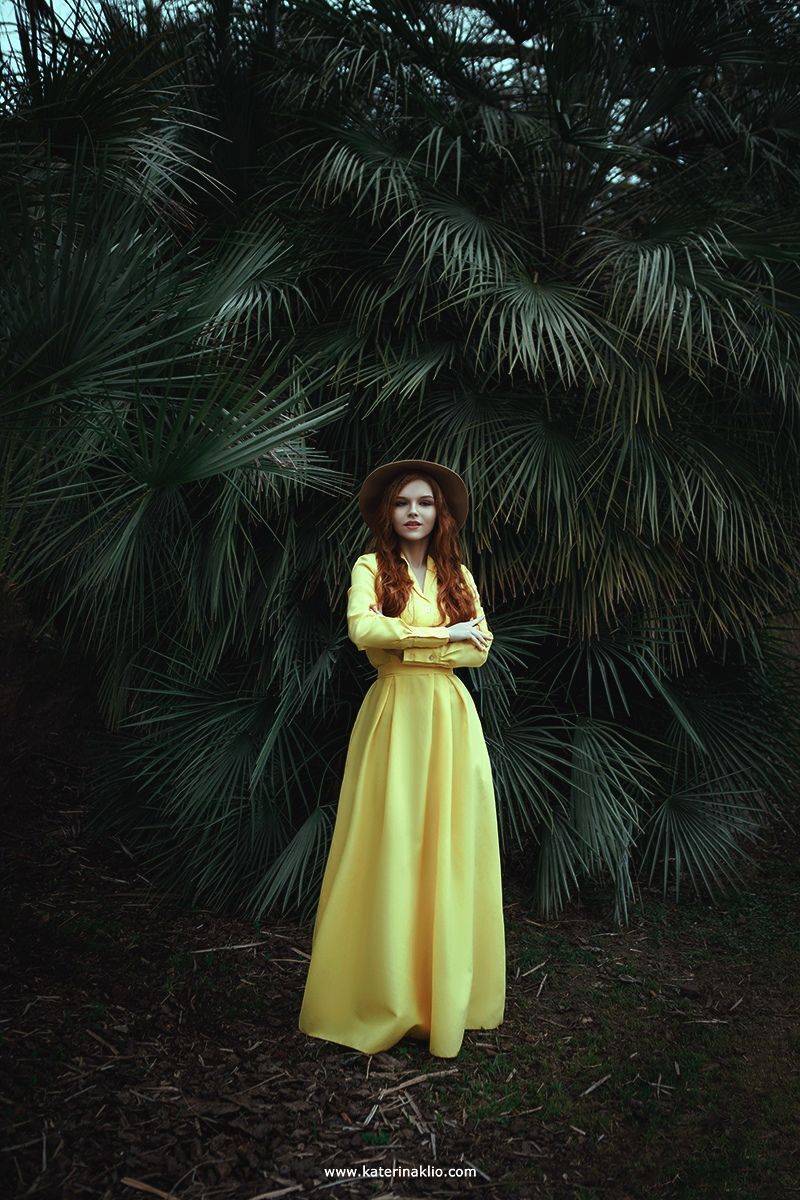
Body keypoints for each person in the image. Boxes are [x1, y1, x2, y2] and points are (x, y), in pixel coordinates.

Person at [298, 458, 506, 1058]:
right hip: (392, 718)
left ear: (440, 514)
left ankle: (442, 997)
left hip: (449, 720)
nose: (414, 512)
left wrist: (417, 645)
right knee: (390, 841)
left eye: (425, 502)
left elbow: (482, 649)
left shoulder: (455, 574)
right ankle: (384, 996)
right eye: (402, 503)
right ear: (387, 514)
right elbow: (364, 632)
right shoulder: (370, 567)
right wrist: (443, 638)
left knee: (445, 844)